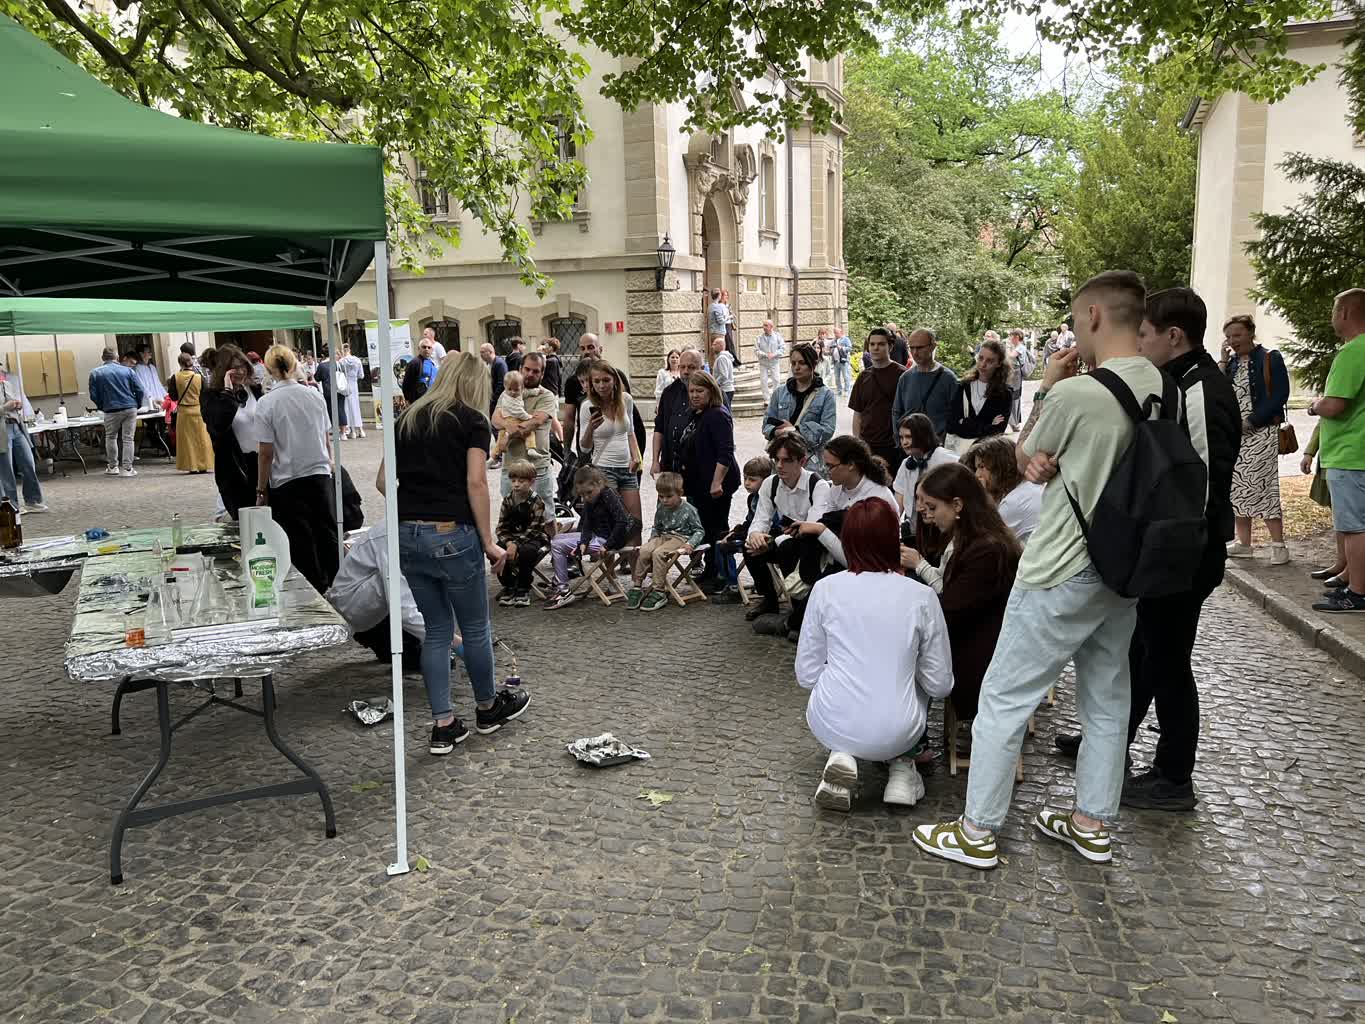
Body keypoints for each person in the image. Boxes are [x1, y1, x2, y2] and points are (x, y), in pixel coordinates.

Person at [913, 269, 1166, 871]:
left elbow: (1022, 458)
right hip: (1123, 567)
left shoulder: (1080, 393)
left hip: (1062, 566)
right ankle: (1092, 823)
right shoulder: (1162, 386)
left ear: (1096, 316)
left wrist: (1051, 385)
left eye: (1079, 318)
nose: (1076, 328)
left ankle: (978, 831)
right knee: (1107, 699)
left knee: (1002, 698)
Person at [1055, 286, 1242, 811]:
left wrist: (1169, 552)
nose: (1138, 342)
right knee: (1142, 650)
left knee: (1169, 662)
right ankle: (1109, 741)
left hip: (1184, 552)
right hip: (1170, 548)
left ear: (1173, 336)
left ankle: (1173, 775)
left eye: (1145, 334)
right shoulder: (1178, 380)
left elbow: (1197, 481)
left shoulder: (1202, 388)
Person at [382, 348, 529, 754]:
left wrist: (414, 507)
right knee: (476, 627)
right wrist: (487, 541)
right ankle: (487, 708)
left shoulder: (405, 419)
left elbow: (382, 481)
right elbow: (477, 483)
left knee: (437, 631)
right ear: (476, 384)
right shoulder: (471, 421)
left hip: (408, 534)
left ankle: (443, 724)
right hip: (452, 533)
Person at [796, 497, 953, 811]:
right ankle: (902, 770)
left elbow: (807, 674)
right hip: (899, 727)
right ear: (893, 540)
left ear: (848, 540)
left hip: (829, 721)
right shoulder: (921, 597)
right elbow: (940, 684)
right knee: (916, 677)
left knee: (848, 676)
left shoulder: (825, 589)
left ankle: (843, 753)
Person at [902, 463, 1021, 724]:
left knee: (900, 658)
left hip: (977, 657)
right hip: (970, 640)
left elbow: (952, 609)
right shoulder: (971, 536)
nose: (927, 515)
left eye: (932, 507)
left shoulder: (987, 549)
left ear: (957, 505)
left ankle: (906, 743)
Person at [325, 519, 464, 673]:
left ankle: (424, 642)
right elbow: (403, 609)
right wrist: (455, 642)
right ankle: (425, 642)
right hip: (352, 608)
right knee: (400, 578)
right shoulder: (394, 536)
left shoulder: (413, 528)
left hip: (372, 603)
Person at [254, 345, 338, 591]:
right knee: (327, 535)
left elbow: (265, 453)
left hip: (287, 479)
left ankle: (314, 589)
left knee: (300, 541)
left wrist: (261, 489)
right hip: (319, 473)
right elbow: (325, 437)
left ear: (269, 369)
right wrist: (329, 463)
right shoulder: (314, 395)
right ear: (293, 366)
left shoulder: (267, 403)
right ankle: (337, 585)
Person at [1309, 288, 1365, 612]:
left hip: (1349, 451)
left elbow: (1335, 405)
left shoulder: (1352, 352)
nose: (1332, 318)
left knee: (1354, 527)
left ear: (1344, 313)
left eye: (1334, 311)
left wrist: (1315, 405)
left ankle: (1357, 593)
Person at [1220, 315, 1290, 564]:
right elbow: (1220, 389)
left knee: (1263, 486)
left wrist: (1252, 421)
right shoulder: (1232, 364)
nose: (1232, 340)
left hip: (1261, 432)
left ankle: (1278, 545)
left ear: (1250, 333)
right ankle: (1244, 543)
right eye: (1228, 336)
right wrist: (1223, 361)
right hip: (1235, 435)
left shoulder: (1270, 358)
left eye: (1236, 335)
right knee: (1237, 486)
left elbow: (1281, 393)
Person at [743, 433, 831, 621]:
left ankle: (799, 608)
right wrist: (756, 535)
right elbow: (761, 518)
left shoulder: (818, 485)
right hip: (785, 537)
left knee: (786, 548)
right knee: (750, 548)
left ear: (802, 461)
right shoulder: (770, 483)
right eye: (777, 460)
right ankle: (769, 600)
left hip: (811, 544)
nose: (780, 465)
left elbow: (811, 528)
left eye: (787, 460)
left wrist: (772, 542)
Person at [679, 370, 741, 587]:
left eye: (700, 391)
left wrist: (717, 481)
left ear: (711, 391)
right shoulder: (697, 413)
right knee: (705, 526)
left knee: (717, 528)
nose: (695, 395)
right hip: (699, 483)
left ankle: (721, 574)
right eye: (692, 391)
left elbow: (725, 451)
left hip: (716, 483)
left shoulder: (717, 414)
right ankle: (711, 569)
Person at [545, 466, 634, 609]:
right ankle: (559, 582)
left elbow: (622, 521)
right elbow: (587, 524)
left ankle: (563, 588)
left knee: (557, 545)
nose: (586, 497)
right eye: (583, 494)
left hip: (610, 540)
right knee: (556, 539)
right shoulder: (590, 499)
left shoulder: (608, 494)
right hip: (597, 537)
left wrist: (607, 545)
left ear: (599, 483)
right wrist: (583, 543)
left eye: (589, 493)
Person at [578, 358, 644, 540]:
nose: (601, 385)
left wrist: (636, 456)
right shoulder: (586, 406)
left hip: (627, 469)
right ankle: (610, 569)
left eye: (605, 380)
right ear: (591, 383)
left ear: (614, 379)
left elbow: (630, 432)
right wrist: (591, 428)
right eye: (596, 381)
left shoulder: (626, 400)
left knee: (635, 523)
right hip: (603, 469)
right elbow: (584, 448)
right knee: (612, 524)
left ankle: (636, 568)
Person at [491, 352, 558, 522]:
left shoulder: (546, 396)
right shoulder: (506, 394)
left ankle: (552, 549)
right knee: (512, 518)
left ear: (542, 374)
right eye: (527, 369)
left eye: (536, 371)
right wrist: (508, 426)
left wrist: (508, 433)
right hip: (510, 469)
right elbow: (495, 420)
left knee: (546, 516)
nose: (530, 374)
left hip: (537, 469)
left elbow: (536, 422)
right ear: (520, 369)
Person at [200, 344, 263, 521]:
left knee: (265, 518)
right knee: (243, 521)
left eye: (243, 366)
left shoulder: (254, 390)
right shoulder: (211, 396)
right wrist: (228, 392)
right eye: (234, 367)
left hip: (262, 462)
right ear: (224, 370)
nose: (240, 371)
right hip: (235, 467)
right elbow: (217, 426)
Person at [628, 471, 705, 612]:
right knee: (644, 550)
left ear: (680, 493)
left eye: (669, 496)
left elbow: (699, 531)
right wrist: (652, 540)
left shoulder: (689, 510)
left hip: (680, 538)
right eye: (661, 496)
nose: (664, 500)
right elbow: (657, 527)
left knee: (659, 553)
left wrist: (690, 544)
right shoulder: (661, 507)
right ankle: (637, 585)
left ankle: (659, 590)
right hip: (663, 536)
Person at [762, 342, 837, 476]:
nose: (796, 367)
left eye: (801, 363)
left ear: (813, 364)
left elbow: (827, 430)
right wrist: (776, 432)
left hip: (809, 463)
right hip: (781, 461)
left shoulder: (826, 395)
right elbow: (766, 425)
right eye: (793, 363)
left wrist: (794, 430)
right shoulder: (779, 393)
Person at [960, 435, 1044, 544]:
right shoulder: (1027, 487)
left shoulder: (1013, 502)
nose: (977, 474)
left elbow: (984, 540)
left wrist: (983, 496)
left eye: (981, 467)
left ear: (1000, 466)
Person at [711, 455, 771, 606]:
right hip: (751, 532)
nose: (747, 483)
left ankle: (732, 587)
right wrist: (735, 531)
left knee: (723, 546)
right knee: (720, 537)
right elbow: (749, 521)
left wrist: (736, 535)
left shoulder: (770, 497)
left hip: (764, 537)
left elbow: (764, 523)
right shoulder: (752, 498)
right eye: (745, 478)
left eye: (752, 479)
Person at [849, 327, 907, 474]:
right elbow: (858, 414)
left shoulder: (902, 375)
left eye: (881, 344)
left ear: (890, 346)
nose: (876, 348)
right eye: (872, 344)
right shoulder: (863, 377)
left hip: (894, 446)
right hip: (868, 445)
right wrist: (859, 444)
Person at [495, 460, 551, 608]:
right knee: (496, 551)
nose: (516, 484)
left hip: (533, 537)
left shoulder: (537, 501)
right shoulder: (508, 500)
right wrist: (508, 543)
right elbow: (501, 528)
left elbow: (534, 529)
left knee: (527, 552)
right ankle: (509, 584)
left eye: (521, 481)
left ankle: (523, 588)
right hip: (511, 537)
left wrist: (515, 544)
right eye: (513, 481)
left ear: (531, 482)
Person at [945, 338, 1011, 453]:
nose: (983, 364)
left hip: (986, 455)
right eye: (980, 358)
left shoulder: (1004, 394)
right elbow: (951, 424)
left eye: (990, 361)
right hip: (960, 454)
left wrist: (965, 422)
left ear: (999, 363)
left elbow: (997, 431)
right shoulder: (963, 386)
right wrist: (987, 425)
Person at [892, 413, 957, 528]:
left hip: (940, 526)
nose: (904, 442)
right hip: (914, 527)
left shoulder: (947, 459)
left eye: (908, 437)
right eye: (901, 437)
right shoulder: (906, 465)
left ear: (922, 436)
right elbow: (898, 504)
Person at [891, 328, 958, 441]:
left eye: (920, 347)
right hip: (909, 446)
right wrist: (899, 439)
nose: (915, 352)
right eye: (911, 348)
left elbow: (955, 416)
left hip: (937, 447)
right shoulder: (906, 378)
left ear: (932, 346)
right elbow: (897, 411)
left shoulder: (948, 379)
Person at [88, 347, 145, 478]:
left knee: (111, 437)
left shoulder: (95, 373)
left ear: (103, 358)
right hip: (130, 407)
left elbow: (93, 395)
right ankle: (127, 468)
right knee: (128, 438)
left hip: (110, 409)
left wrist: (102, 406)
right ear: (117, 357)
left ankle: (113, 466)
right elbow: (140, 390)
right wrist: (137, 404)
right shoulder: (128, 371)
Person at [651, 348, 706, 475]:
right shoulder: (669, 392)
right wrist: (655, 461)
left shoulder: (713, 393)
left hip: (699, 468)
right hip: (670, 464)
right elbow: (659, 428)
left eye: (691, 367)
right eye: (682, 367)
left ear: (701, 368)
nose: (686, 372)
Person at [0, 368, 45, 512]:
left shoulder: (6, 384)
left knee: (28, 462)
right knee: (7, 469)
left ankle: (32, 500)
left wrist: (17, 405)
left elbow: (14, 403)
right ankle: (11, 505)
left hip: (17, 427)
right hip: (2, 429)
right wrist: (5, 408)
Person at [165, 352, 214, 474]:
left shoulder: (175, 377)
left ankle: (192, 466)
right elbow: (205, 393)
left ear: (180, 363)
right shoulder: (199, 377)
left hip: (184, 411)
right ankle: (204, 464)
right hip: (198, 410)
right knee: (201, 438)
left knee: (187, 440)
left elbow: (173, 396)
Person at [491, 371, 538, 463]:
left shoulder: (515, 393)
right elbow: (519, 413)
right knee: (530, 433)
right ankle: (530, 448)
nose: (513, 392)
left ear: (521, 388)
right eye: (510, 389)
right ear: (505, 387)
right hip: (514, 419)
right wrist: (530, 417)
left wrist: (536, 392)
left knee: (501, 438)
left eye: (516, 390)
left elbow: (527, 393)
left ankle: (494, 457)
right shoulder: (508, 398)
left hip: (509, 419)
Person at [313, 348, 349, 432]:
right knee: (341, 409)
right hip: (340, 390)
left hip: (328, 391)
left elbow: (317, 378)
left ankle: (335, 431)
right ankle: (343, 432)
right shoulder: (338, 364)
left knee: (331, 410)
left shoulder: (322, 365)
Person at [1006, 329, 1034, 431]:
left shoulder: (1020, 347)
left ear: (1017, 337)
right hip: (1013, 375)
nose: (1010, 339)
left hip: (1015, 376)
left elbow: (1010, 356)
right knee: (1012, 397)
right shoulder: (1017, 347)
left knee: (1014, 398)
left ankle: (1015, 423)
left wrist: (1008, 348)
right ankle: (1014, 423)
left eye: (1011, 337)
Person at [338, 342, 366, 438]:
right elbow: (361, 375)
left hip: (345, 385)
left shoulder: (341, 361)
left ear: (343, 350)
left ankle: (352, 430)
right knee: (356, 406)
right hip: (354, 385)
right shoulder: (357, 360)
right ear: (350, 350)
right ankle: (360, 430)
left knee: (347, 407)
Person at [402, 335, 441, 406]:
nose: (427, 349)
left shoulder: (433, 363)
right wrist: (408, 399)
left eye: (429, 347)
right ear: (418, 348)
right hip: (419, 401)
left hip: (433, 400)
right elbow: (406, 383)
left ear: (432, 350)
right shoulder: (414, 363)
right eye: (424, 347)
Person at [755, 319, 786, 402]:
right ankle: (766, 399)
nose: (763, 327)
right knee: (763, 380)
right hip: (763, 363)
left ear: (771, 327)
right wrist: (765, 354)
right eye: (763, 325)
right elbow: (756, 350)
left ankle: (775, 397)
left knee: (776, 380)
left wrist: (774, 354)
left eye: (765, 325)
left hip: (774, 362)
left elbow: (782, 348)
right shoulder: (759, 338)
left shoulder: (778, 336)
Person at [710, 334, 736, 410]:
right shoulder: (724, 357)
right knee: (726, 410)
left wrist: (715, 384)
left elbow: (724, 375)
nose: (712, 347)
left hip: (725, 389)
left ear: (720, 345)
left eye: (714, 344)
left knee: (725, 410)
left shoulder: (721, 358)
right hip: (727, 389)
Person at [830, 325, 853, 399]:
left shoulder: (845, 339)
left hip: (843, 361)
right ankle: (839, 390)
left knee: (846, 376)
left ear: (841, 332)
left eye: (837, 333)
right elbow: (831, 348)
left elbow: (850, 348)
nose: (835, 334)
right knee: (837, 377)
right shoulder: (834, 340)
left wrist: (842, 348)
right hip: (836, 361)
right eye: (834, 333)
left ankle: (847, 390)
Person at [707, 289, 730, 357]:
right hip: (719, 332)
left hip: (712, 332)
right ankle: (718, 367)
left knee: (713, 352)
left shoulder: (710, 306)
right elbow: (721, 321)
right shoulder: (717, 306)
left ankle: (712, 366)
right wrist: (728, 317)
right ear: (719, 296)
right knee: (720, 353)